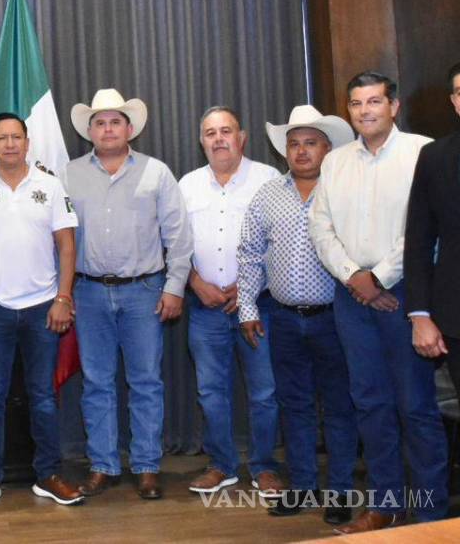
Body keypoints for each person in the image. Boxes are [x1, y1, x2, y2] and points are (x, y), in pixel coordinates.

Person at [309, 71, 448, 533]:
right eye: (356, 103)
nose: (364, 111)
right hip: (351, 297)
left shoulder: (422, 152)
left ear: (394, 106)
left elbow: (426, 228)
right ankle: (386, 505)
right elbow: (320, 228)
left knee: (416, 407)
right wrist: (354, 277)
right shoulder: (335, 163)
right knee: (369, 404)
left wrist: (380, 278)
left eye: (373, 101)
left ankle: (429, 514)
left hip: (409, 294)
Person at [65, 88, 192, 501]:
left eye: (115, 122)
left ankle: (147, 466)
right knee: (96, 383)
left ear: (130, 128)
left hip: (145, 292)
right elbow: (58, 238)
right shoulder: (69, 175)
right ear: (89, 131)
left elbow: (178, 235)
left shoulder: (157, 172)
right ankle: (103, 465)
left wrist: (175, 287)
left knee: (146, 382)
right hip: (88, 293)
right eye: (100, 123)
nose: (107, 129)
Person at [237, 106, 357, 524]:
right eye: (294, 144)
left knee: (339, 407)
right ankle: (304, 487)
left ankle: (340, 492)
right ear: (284, 150)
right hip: (283, 318)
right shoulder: (268, 195)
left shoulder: (344, 191)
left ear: (327, 148)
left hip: (337, 318)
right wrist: (247, 307)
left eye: (311, 143)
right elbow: (250, 255)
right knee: (295, 406)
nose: (301, 151)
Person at [0, 113, 82, 511]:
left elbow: (67, 247)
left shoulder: (50, 185)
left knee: (43, 397)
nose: (10, 144)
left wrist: (63, 298)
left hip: (43, 307)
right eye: (2, 138)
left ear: (27, 143)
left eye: (16, 137)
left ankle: (48, 475)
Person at [178, 107, 282, 497]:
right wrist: (194, 282)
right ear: (201, 141)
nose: (219, 139)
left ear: (242, 137)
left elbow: (281, 241)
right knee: (210, 392)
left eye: (226, 131)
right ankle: (221, 465)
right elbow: (174, 244)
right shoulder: (187, 185)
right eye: (210, 133)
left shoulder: (268, 180)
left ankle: (264, 466)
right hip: (204, 307)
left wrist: (250, 285)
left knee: (265, 392)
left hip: (258, 306)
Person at [406, 61, 460, 391]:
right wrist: (420, 315)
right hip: (456, 317)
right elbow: (418, 242)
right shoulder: (434, 157)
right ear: (454, 101)